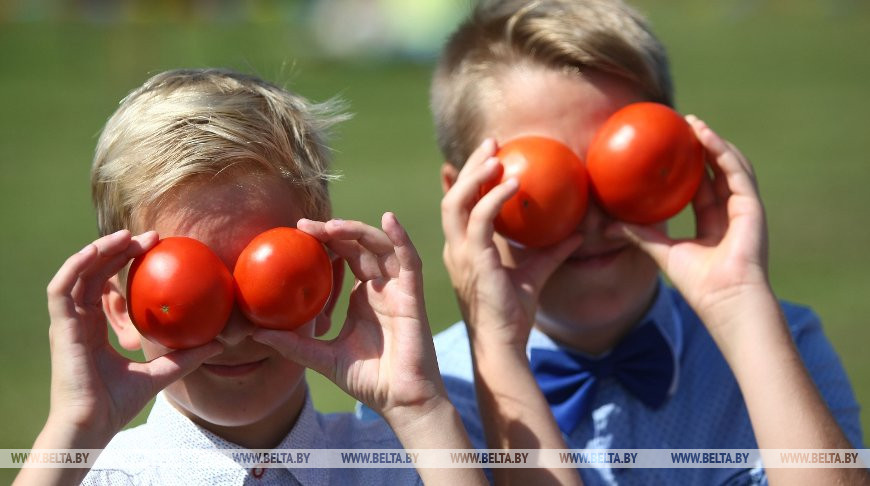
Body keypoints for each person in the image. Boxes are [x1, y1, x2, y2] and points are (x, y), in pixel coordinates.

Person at [428, 0, 867, 484]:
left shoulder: (780, 347)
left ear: (684, 156)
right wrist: (496, 348)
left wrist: (739, 303)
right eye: (547, 186)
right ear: (464, 198)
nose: (592, 218)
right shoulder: (432, 399)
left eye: (627, 167)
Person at [13, 68, 490, 486]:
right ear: (122, 310)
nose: (234, 329)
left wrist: (421, 411)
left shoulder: (407, 462)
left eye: (272, 283)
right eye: (188, 296)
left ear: (324, 293)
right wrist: (74, 431)